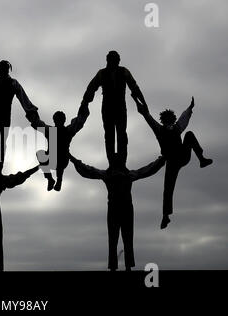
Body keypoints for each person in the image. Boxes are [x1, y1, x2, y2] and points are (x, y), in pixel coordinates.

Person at [70, 153, 165, 271]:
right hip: (124, 208)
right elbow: (148, 169)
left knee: (117, 239)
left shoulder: (111, 175)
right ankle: (125, 266)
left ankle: (119, 266)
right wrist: (162, 159)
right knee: (123, 238)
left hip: (117, 209)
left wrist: (72, 159)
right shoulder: (126, 175)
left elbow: (87, 170)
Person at [132, 95, 213, 229]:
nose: (169, 124)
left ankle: (202, 159)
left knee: (189, 134)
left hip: (182, 155)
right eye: (167, 122)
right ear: (164, 122)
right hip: (171, 161)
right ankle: (165, 216)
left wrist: (190, 108)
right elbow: (147, 116)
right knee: (168, 188)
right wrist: (136, 100)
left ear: (172, 120)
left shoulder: (177, 128)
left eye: (171, 121)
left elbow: (184, 118)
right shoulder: (159, 130)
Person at [79, 50, 147, 165]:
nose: (115, 61)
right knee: (109, 135)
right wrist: (84, 103)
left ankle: (122, 163)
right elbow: (91, 88)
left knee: (121, 135)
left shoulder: (124, 71)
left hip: (120, 107)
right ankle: (111, 163)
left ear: (118, 60)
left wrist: (144, 103)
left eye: (116, 59)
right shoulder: (102, 73)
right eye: (112, 59)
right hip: (107, 108)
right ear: (108, 60)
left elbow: (134, 87)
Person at [26, 107, 89, 191]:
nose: (57, 122)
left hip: (62, 160)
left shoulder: (66, 130)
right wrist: (30, 110)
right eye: (56, 120)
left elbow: (78, 122)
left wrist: (84, 104)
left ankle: (59, 180)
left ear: (63, 120)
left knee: (60, 155)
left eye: (59, 120)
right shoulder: (54, 130)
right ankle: (50, 179)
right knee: (40, 153)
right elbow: (38, 123)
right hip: (52, 160)